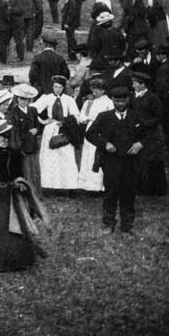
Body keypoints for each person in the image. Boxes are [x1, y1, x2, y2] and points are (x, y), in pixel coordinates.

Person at [0, 119, 41, 271]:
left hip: (12, 194)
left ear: (5, 137)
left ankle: (17, 260)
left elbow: (20, 174)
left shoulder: (17, 154)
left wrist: (19, 184)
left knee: (15, 225)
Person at [85, 86, 144, 234]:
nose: (120, 104)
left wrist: (140, 144)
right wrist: (105, 143)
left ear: (128, 100)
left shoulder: (135, 116)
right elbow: (90, 134)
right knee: (111, 192)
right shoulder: (104, 117)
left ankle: (127, 226)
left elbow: (149, 135)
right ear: (112, 100)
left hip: (130, 161)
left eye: (123, 101)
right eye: (116, 101)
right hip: (111, 161)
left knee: (128, 193)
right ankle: (108, 223)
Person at [33, 75, 82, 193]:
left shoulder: (69, 100)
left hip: (65, 130)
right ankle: (50, 187)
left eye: (60, 87)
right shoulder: (46, 98)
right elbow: (33, 110)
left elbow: (76, 115)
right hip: (51, 128)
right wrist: (43, 121)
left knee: (66, 157)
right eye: (55, 87)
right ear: (52, 87)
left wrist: (65, 122)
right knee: (50, 158)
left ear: (64, 88)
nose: (57, 90)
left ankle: (69, 187)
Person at [76, 78, 112, 192]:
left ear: (103, 90)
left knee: (98, 155)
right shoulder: (89, 101)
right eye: (93, 89)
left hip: (101, 130)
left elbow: (110, 118)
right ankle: (88, 185)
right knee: (88, 155)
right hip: (90, 129)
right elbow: (82, 115)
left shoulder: (108, 102)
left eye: (98, 90)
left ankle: (100, 185)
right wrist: (85, 118)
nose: (95, 92)